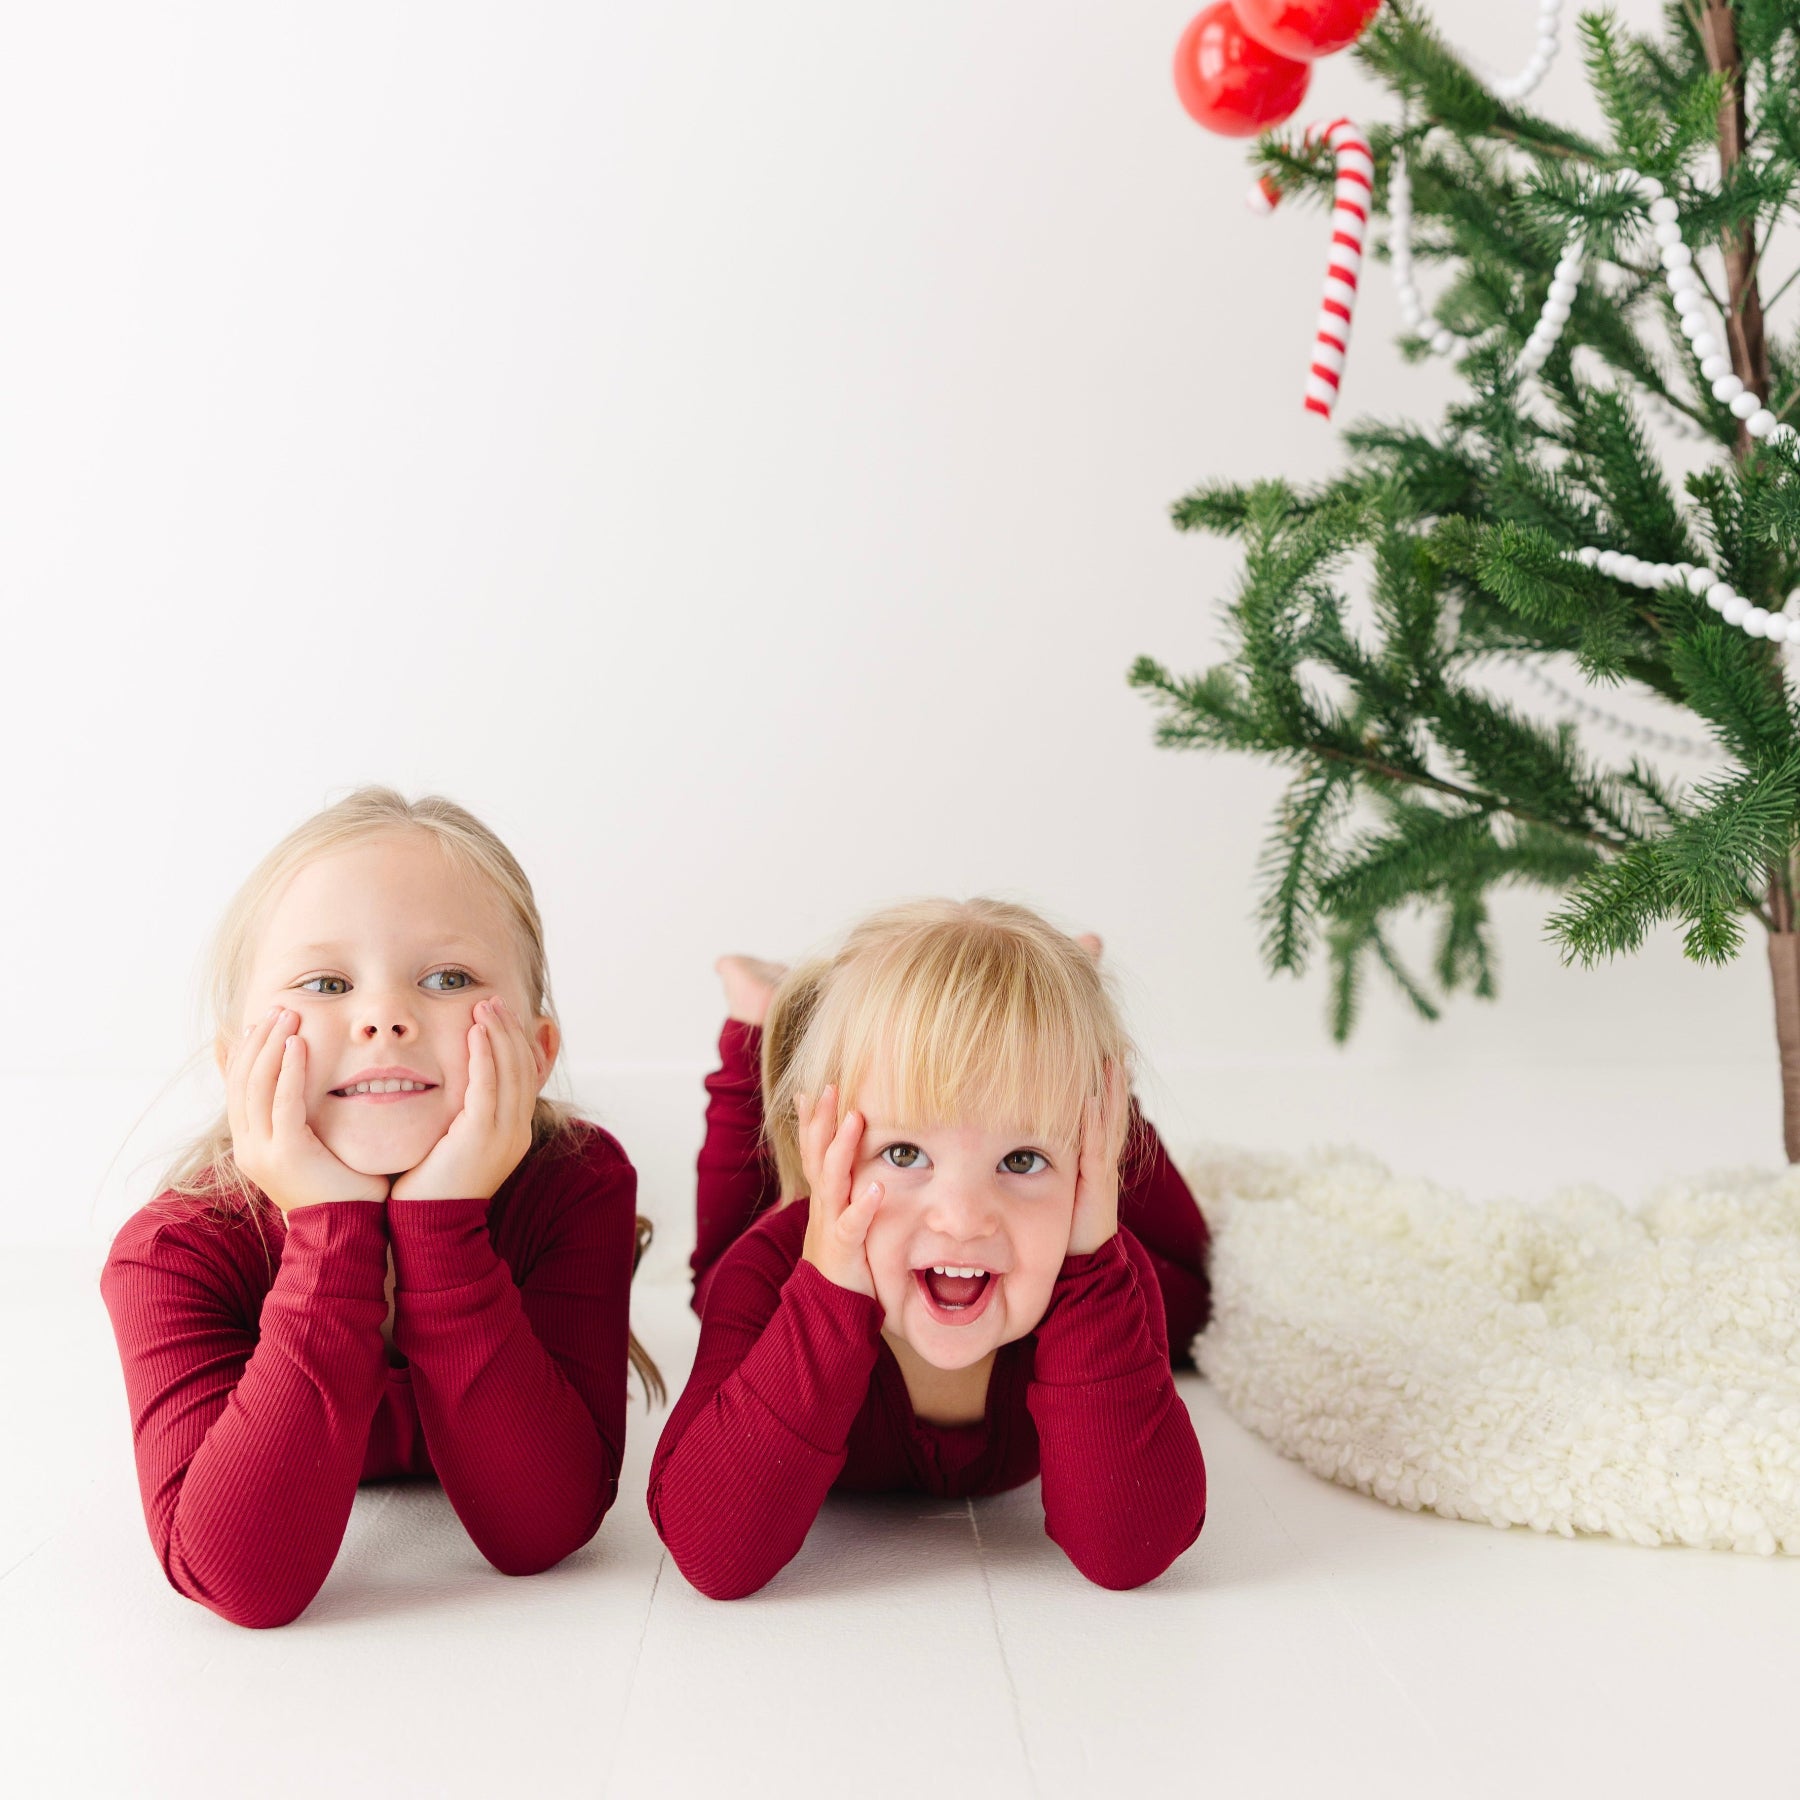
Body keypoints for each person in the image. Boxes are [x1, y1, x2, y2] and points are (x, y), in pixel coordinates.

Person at [100, 787, 657, 1628]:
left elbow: (543, 1529)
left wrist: (442, 1225)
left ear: (538, 1053)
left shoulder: (577, 1186)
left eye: (447, 978)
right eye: (327, 983)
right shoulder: (173, 1253)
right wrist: (331, 1234)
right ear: (236, 1060)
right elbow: (237, 1579)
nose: (385, 1018)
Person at [649, 898, 1209, 1598]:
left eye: (1023, 1160)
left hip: (1079, 1202)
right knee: (717, 1279)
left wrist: (1094, 1241)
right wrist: (825, 1289)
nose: (964, 1218)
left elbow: (1131, 1552)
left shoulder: (1100, 1275)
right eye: (906, 1151)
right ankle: (754, 1022)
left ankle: (1077, 1060)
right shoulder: (765, 1278)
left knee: (1196, 1293)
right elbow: (713, 1556)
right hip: (792, 1249)